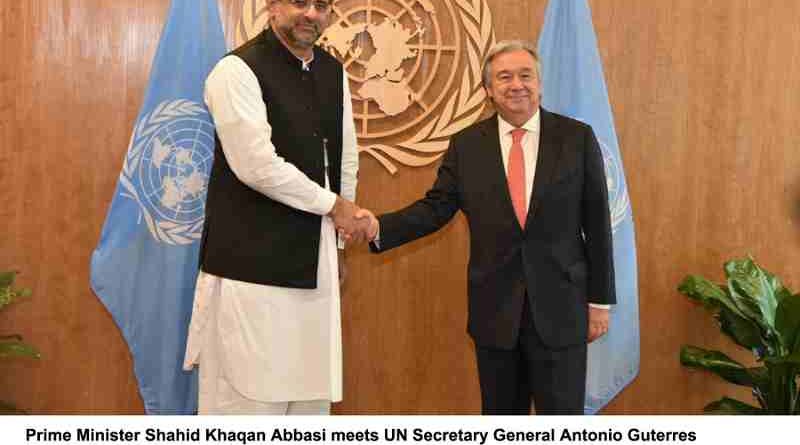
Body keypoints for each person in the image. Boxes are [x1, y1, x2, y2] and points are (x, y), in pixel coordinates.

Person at [355, 40, 615, 414]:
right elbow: (436, 208)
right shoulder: (467, 145)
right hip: (496, 314)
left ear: (540, 84)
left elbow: (597, 223)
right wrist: (379, 226)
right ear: (488, 90)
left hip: (562, 311)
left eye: (526, 76)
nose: (516, 85)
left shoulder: (576, 138)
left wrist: (599, 302)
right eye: (504, 77)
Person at [182, 0, 366, 414]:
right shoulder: (235, 71)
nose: (311, 14)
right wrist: (333, 206)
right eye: (300, 2)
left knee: (309, 406)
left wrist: (338, 241)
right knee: (248, 406)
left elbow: (343, 158)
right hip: (251, 269)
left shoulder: (331, 70)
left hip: (315, 264)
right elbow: (255, 165)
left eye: (322, 5)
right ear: (272, 6)